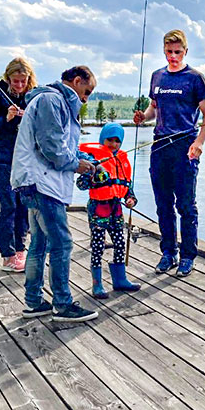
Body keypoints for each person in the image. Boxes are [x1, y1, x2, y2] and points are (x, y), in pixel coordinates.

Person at [11, 65, 99, 322]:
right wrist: (77, 165)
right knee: (62, 243)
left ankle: (34, 302)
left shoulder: (56, 102)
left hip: (36, 183)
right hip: (42, 184)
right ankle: (62, 304)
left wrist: (86, 159)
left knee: (39, 243)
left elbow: (64, 146)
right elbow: (52, 147)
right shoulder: (52, 100)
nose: (86, 98)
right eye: (87, 90)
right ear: (76, 80)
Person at [133, 29, 205, 278]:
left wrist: (199, 143)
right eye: (169, 52)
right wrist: (143, 117)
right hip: (160, 146)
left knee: (186, 205)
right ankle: (168, 253)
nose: (173, 56)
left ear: (185, 51)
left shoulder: (195, 78)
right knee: (163, 204)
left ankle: (188, 256)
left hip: (185, 145)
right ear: (164, 51)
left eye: (178, 52)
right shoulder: (157, 76)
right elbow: (153, 108)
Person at [0, 57, 36, 272]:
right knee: (9, 206)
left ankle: (20, 250)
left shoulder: (33, 95)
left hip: (24, 159)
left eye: (23, 81)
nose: (19, 85)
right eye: (15, 81)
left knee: (23, 205)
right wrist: (6, 118)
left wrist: (27, 116)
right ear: (8, 77)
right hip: (2, 159)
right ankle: (7, 254)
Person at [76, 122, 140, 298]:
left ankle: (120, 280)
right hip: (98, 209)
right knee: (98, 246)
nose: (113, 144)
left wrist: (130, 199)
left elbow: (128, 188)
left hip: (116, 209)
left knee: (120, 243)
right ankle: (97, 284)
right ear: (102, 140)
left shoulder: (123, 161)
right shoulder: (94, 160)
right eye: (109, 140)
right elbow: (81, 184)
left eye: (117, 141)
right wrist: (95, 177)